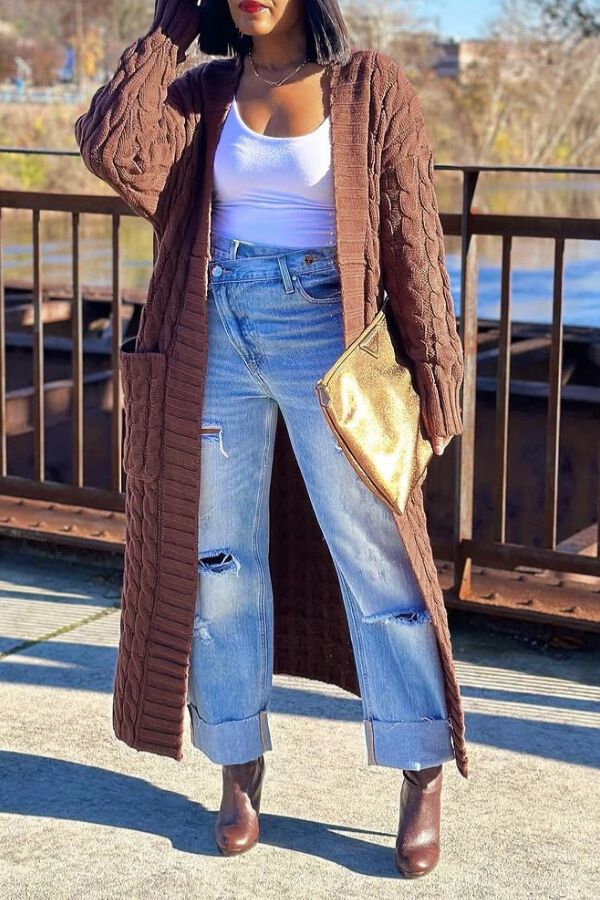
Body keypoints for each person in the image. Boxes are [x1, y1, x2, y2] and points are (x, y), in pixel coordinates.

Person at [74, 0, 468, 879]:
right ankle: (237, 763)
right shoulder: (203, 91)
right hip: (210, 332)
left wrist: (438, 380)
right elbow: (111, 149)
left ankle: (418, 765)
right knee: (220, 563)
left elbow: (412, 236)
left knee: (380, 561)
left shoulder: (370, 87)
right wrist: (170, 29)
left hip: (329, 335)